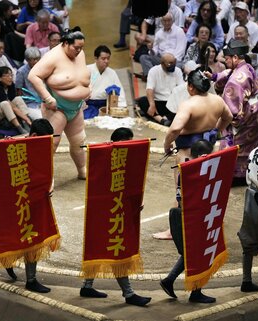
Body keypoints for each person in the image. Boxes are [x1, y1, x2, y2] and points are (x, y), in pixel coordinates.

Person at [154, 69, 233, 240]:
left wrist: (167, 145)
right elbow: (229, 116)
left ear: (190, 87)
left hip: (188, 153)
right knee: (206, 188)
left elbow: (175, 128)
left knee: (181, 191)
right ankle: (205, 223)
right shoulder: (217, 101)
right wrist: (216, 131)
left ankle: (173, 231)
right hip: (209, 152)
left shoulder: (189, 104)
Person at [79, 126, 152, 307]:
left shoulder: (129, 159)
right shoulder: (103, 157)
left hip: (117, 208)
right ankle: (128, 293)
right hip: (104, 209)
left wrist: (134, 205)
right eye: (127, 142)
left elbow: (131, 186)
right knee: (114, 247)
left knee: (103, 244)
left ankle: (87, 286)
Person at [28, 28, 91, 179]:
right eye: (76, 47)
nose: (79, 51)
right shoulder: (52, 57)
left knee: (79, 141)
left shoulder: (79, 54)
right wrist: (47, 97)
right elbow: (33, 75)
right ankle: (42, 177)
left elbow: (81, 76)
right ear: (65, 43)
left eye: (81, 48)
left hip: (76, 107)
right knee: (52, 144)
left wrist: (88, 88)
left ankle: (82, 170)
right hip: (57, 109)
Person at [160, 139, 218, 304]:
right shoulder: (195, 172)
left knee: (188, 255)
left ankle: (169, 280)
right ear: (203, 155)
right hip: (189, 217)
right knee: (196, 254)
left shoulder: (187, 167)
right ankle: (195, 292)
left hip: (183, 215)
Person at [4, 118, 54, 293]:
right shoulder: (14, 148)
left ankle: (30, 279)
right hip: (16, 200)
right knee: (19, 235)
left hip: (36, 199)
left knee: (33, 237)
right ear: (33, 135)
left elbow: (49, 172)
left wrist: (50, 187)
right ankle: (10, 261)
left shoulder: (43, 148)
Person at [213, 39, 258, 185]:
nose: (225, 61)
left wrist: (219, 126)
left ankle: (233, 176)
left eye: (227, 59)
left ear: (235, 58)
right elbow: (228, 72)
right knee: (250, 145)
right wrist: (214, 76)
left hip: (244, 116)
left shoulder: (235, 81)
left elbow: (230, 112)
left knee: (230, 142)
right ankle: (246, 173)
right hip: (255, 114)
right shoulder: (247, 67)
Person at [136, 53, 184, 126]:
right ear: (162, 63)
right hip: (158, 102)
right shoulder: (153, 71)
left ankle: (165, 117)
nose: (173, 65)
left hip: (172, 103)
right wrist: (152, 105)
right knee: (143, 101)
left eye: (174, 62)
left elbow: (181, 88)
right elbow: (149, 89)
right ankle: (161, 119)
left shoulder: (178, 71)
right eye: (170, 63)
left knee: (184, 105)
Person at [0, 66, 32, 135]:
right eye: (7, 76)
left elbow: (14, 102)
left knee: (18, 99)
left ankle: (26, 125)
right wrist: (26, 119)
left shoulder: (11, 86)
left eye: (11, 75)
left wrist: (26, 118)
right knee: (5, 103)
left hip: (5, 114)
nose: (10, 78)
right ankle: (19, 127)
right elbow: (13, 107)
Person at [238, 142, 258, 292]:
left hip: (251, 195)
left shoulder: (254, 151)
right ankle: (246, 281)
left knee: (249, 241)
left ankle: (246, 280)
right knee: (250, 240)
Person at [85, 45, 127, 119]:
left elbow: (120, 91)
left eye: (108, 58)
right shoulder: (87, 70)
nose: (106, 61)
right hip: (89, 104)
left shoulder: (112, 73)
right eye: (103, 59)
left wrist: (121, 105)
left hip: (106, 104)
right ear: (96, 58)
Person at [139, 13, 187, 78]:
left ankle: (161, 76)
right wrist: (151, 49)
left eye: (169, 20)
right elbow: (155, 52)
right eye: (164, 21)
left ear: (172, 21)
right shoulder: (159, 33)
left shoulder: (179, 31)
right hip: (161, 60)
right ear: (161, 22)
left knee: (177, 67)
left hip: (175, 61)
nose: (167, 23)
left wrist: (170, 61)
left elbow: (181, 51)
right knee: (143, 57)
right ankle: (151, 77)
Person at [15, 46, 42, 120]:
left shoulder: (42, 69)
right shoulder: (21, 72)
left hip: (43, 103)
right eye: (33, 59)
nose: (35, 61)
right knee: (41, 119)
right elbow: (18, 92)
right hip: (29, 104)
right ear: (27, 60)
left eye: (37, 59)